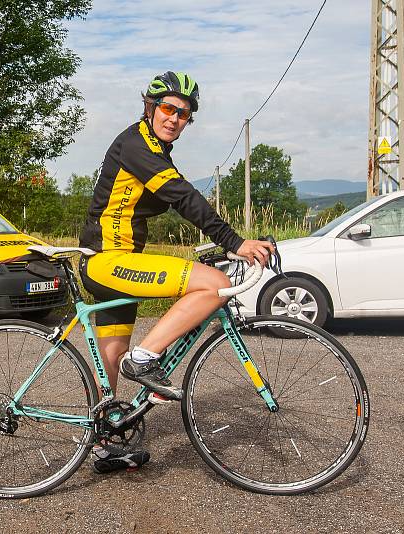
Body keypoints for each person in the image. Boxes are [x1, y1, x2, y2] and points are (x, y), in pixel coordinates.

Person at [78, 71, 275, 473]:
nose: (175, 118)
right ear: (150, 108)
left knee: (110, 356)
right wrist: (236, 242)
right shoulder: (134, 143)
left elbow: (178, 197)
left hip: (119, 261)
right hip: (108, 260)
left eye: (184, 114)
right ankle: (146, 357)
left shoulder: (155, 149)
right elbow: (183, 196)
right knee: (215, 285)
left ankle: (105, 440)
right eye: (168, 108)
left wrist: (219, 244)